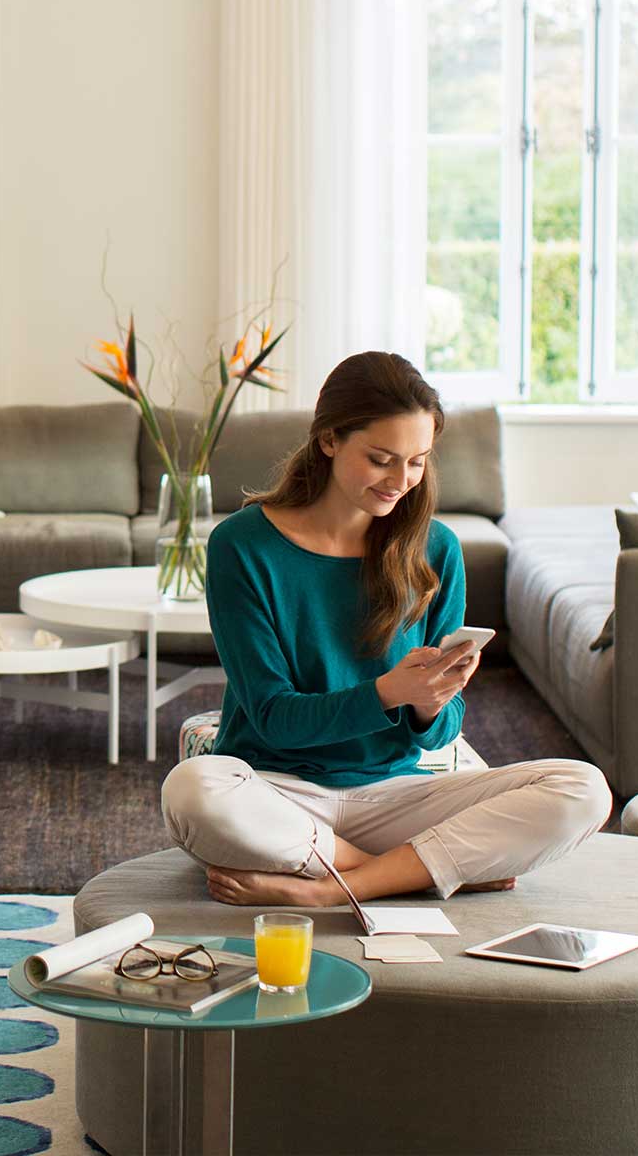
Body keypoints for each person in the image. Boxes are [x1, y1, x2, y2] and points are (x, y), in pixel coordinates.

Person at [160, 351, 610, 906]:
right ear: (328, 440)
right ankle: (399, 872)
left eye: (417, 462)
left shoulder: (436, 550)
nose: (401, 481)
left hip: (398, 796)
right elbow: (273, 719)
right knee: (192, 790)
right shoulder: (242, 547)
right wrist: (389, 692)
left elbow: (443, 735)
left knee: (582, 789)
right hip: (279, 793)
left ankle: (329, 890)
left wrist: (429, 705)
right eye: (381, 459)